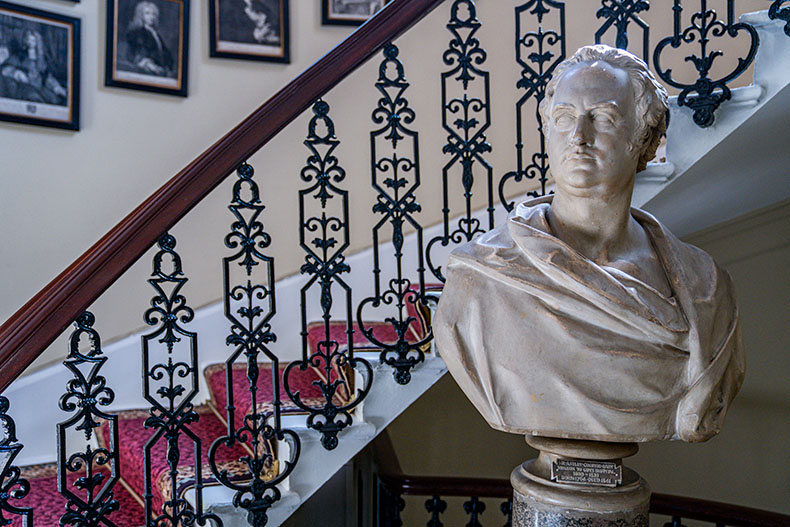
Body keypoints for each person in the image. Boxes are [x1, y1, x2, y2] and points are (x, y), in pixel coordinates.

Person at [433, 45, 744, 444]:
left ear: (646, 141)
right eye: (564, 118)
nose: (579, 136)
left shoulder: (708, 291)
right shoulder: (481, 283)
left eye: (603, 118)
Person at [0, 29, 67, 105]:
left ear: (37, 42)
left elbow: (46, 76)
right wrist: (16, 72)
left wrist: (56, 87)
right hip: (25, 88)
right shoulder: (19, 56)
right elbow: (5, 68)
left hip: (40, 88)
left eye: (33, 40)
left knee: (54, 100)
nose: (30, 42)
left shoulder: (41, 59)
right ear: (25, 40)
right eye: (28, 39)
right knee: (33, 97)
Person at [125, 1, 174, 77]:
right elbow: (136, 55)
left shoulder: (156, 34)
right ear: (141, 15)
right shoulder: (137, 33)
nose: (151, 17)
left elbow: (165, 53)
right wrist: (147, 64)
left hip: (160, 72)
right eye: (147, 13)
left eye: (154, 14)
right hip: (146, 73)